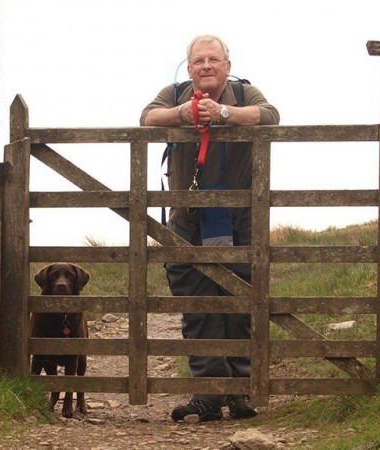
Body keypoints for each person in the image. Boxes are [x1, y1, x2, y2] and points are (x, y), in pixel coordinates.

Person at [140, 34, 280, 422]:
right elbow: (147, 117)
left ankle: (237, 394)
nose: (206, 66)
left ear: (227, 66)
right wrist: (182, 114)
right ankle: (206, 394)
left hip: (240, 220)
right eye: (198, 60)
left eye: (213, 60)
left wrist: (222, 114)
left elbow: (270, 115)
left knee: (239, 305)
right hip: (187, 220)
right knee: (197, 307)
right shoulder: (174, 93)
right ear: (189, 68)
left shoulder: (245, 92)